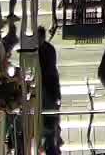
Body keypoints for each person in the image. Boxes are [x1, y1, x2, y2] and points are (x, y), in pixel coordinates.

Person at [36, 27, 62, 155]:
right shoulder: (48, 49)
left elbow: (48, 69)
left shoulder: (44, 50)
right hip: (48, 86)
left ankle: (52, 144)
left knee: (50, 119)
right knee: (50, 119)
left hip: (48, 86)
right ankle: (52, 144)